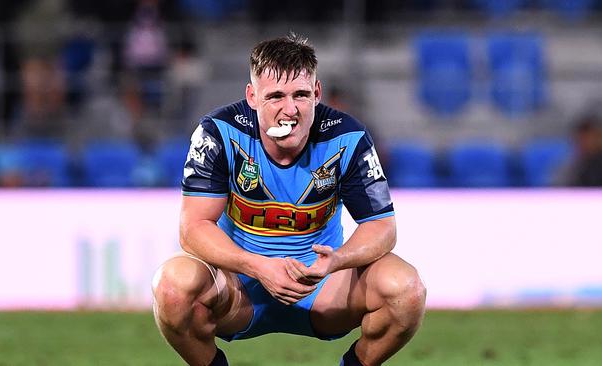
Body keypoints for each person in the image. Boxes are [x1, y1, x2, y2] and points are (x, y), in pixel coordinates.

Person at [152, 34, 426, 366]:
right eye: (276, 96)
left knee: (406, 290)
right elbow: (192, 228)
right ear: (252, 97)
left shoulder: (347, 137)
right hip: (238, 289)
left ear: (317, 93)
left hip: (324, 288)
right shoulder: (218, 133)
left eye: (300, 95)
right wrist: (257, 265)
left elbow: (382, 227)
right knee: (171, 287)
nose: (290, 110)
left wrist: (336, 260)